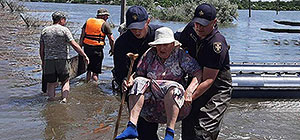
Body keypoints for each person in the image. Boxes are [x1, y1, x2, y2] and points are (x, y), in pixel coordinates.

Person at [115, 27, 202, 140]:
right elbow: (139, 74)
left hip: (173, 100)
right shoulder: (149, 54)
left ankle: (169, 133)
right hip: (152, 102)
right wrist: (129, 80)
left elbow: (198, 73)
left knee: (173, 88)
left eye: (165, 44)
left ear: (172, 44)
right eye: (159, 45)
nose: (162, 48)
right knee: (138, 82)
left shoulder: (180, 55)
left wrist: (189, 91)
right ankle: (132, 126)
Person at [178, 3, 233, 140]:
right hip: (195, 81)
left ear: (214, 22)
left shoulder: (216, 44)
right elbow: (177, 44)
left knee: (203, 132)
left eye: (204, 24)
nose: (199, 28)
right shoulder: (191, 29)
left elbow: (208, 80)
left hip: (216, 89)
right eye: (197, 23)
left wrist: (188, 98)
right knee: (188, 127)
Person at [113, 5, 163, 140]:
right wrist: (123, 80)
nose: (136, 31)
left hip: (156, 85)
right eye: (133, 28)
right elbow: (119, 70)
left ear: (148, 21)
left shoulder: (159, 35)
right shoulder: (122, 43)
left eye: (140, 27)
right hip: (134, 90)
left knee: (152, 126)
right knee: (142, 128)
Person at [40, 11, 89, 103]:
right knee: (65, 81)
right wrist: (84, 55)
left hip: (49, 60)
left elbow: (41, 49)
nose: (65, 21)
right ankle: (64, 99)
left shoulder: (45, 31)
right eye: (64, 20)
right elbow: (74, 44)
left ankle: (51, 100)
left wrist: (43, 61)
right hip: (62, 60)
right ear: (61, 20)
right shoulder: (64, 30)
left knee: (51, 83)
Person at [79, 8, 115, 82]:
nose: (107, 17)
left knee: (89, 69)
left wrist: (80, 48)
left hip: (87, 48)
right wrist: (112, 49)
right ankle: (94, 87)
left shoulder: (88, 22)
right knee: (95, 71)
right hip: (97, 50)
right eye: (106, 16)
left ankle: (87, 82)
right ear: (103, 16)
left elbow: (82, 35)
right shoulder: (104, 24)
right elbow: (111, 39)